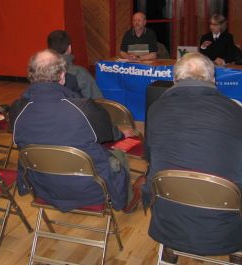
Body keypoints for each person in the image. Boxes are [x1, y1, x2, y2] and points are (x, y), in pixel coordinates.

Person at [143, 53, 242, 264]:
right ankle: (238, 251)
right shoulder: (235, 111)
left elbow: (149, 159)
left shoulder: (156, 109)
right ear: (212, 79)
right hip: (226, 223)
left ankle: (171, 248)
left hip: (169, 218)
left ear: (175, 80)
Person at [11, 49, 144, 213]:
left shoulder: (17, 110)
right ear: (62, 77)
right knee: (118, 155)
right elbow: (109, 135)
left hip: (43, 187)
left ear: (30, 76)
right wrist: (123, 132)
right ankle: (127, 201)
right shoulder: (85, 108)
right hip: (91, 189)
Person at [47, 30, 103, 99]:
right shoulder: (79, 72)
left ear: (49, 49)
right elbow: (97, 100)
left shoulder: (40, 72)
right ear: (69, 48)